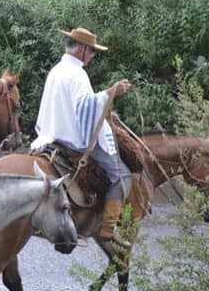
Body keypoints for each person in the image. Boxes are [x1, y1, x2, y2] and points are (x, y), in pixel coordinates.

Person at [30, 27, 134, 249]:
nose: (93, 56)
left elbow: (73, 105)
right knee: (121, 174)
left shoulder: (57, 70)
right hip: (72, 138)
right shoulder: (77, 74)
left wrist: (104, 106)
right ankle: (108, 229)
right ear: (83, 50)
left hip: (51, 133)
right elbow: (85, 107)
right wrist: (111, 92)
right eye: (92, 52)